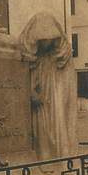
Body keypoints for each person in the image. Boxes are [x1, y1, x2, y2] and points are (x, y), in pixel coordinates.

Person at [18, 12, 78, 163]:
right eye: (42, 40)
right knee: (41, 131)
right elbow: (28, 77)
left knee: (58, 126)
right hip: (40, 102)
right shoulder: (33, 57)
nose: (46, 43)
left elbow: (66, 88)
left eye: (49, 40)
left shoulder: (61, 55)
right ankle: (45, 162)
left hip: (56, 99)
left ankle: (61, 162)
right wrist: (32, 91)